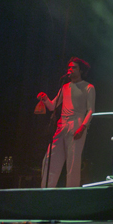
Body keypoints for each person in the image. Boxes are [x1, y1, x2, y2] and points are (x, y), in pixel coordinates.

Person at [35, 58, 95, 188]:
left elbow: (91, 110)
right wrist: (45, 99)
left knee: (73, 162)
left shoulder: (88, 87)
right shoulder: (65, 87)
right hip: (62, 125)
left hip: (77, 124)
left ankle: (71, 192)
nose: (70, 70)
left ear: (80, 70)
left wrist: (83, 127)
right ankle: (46, 189)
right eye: (69, 67)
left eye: (73, 67)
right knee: (51, 158)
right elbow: (52, 106)